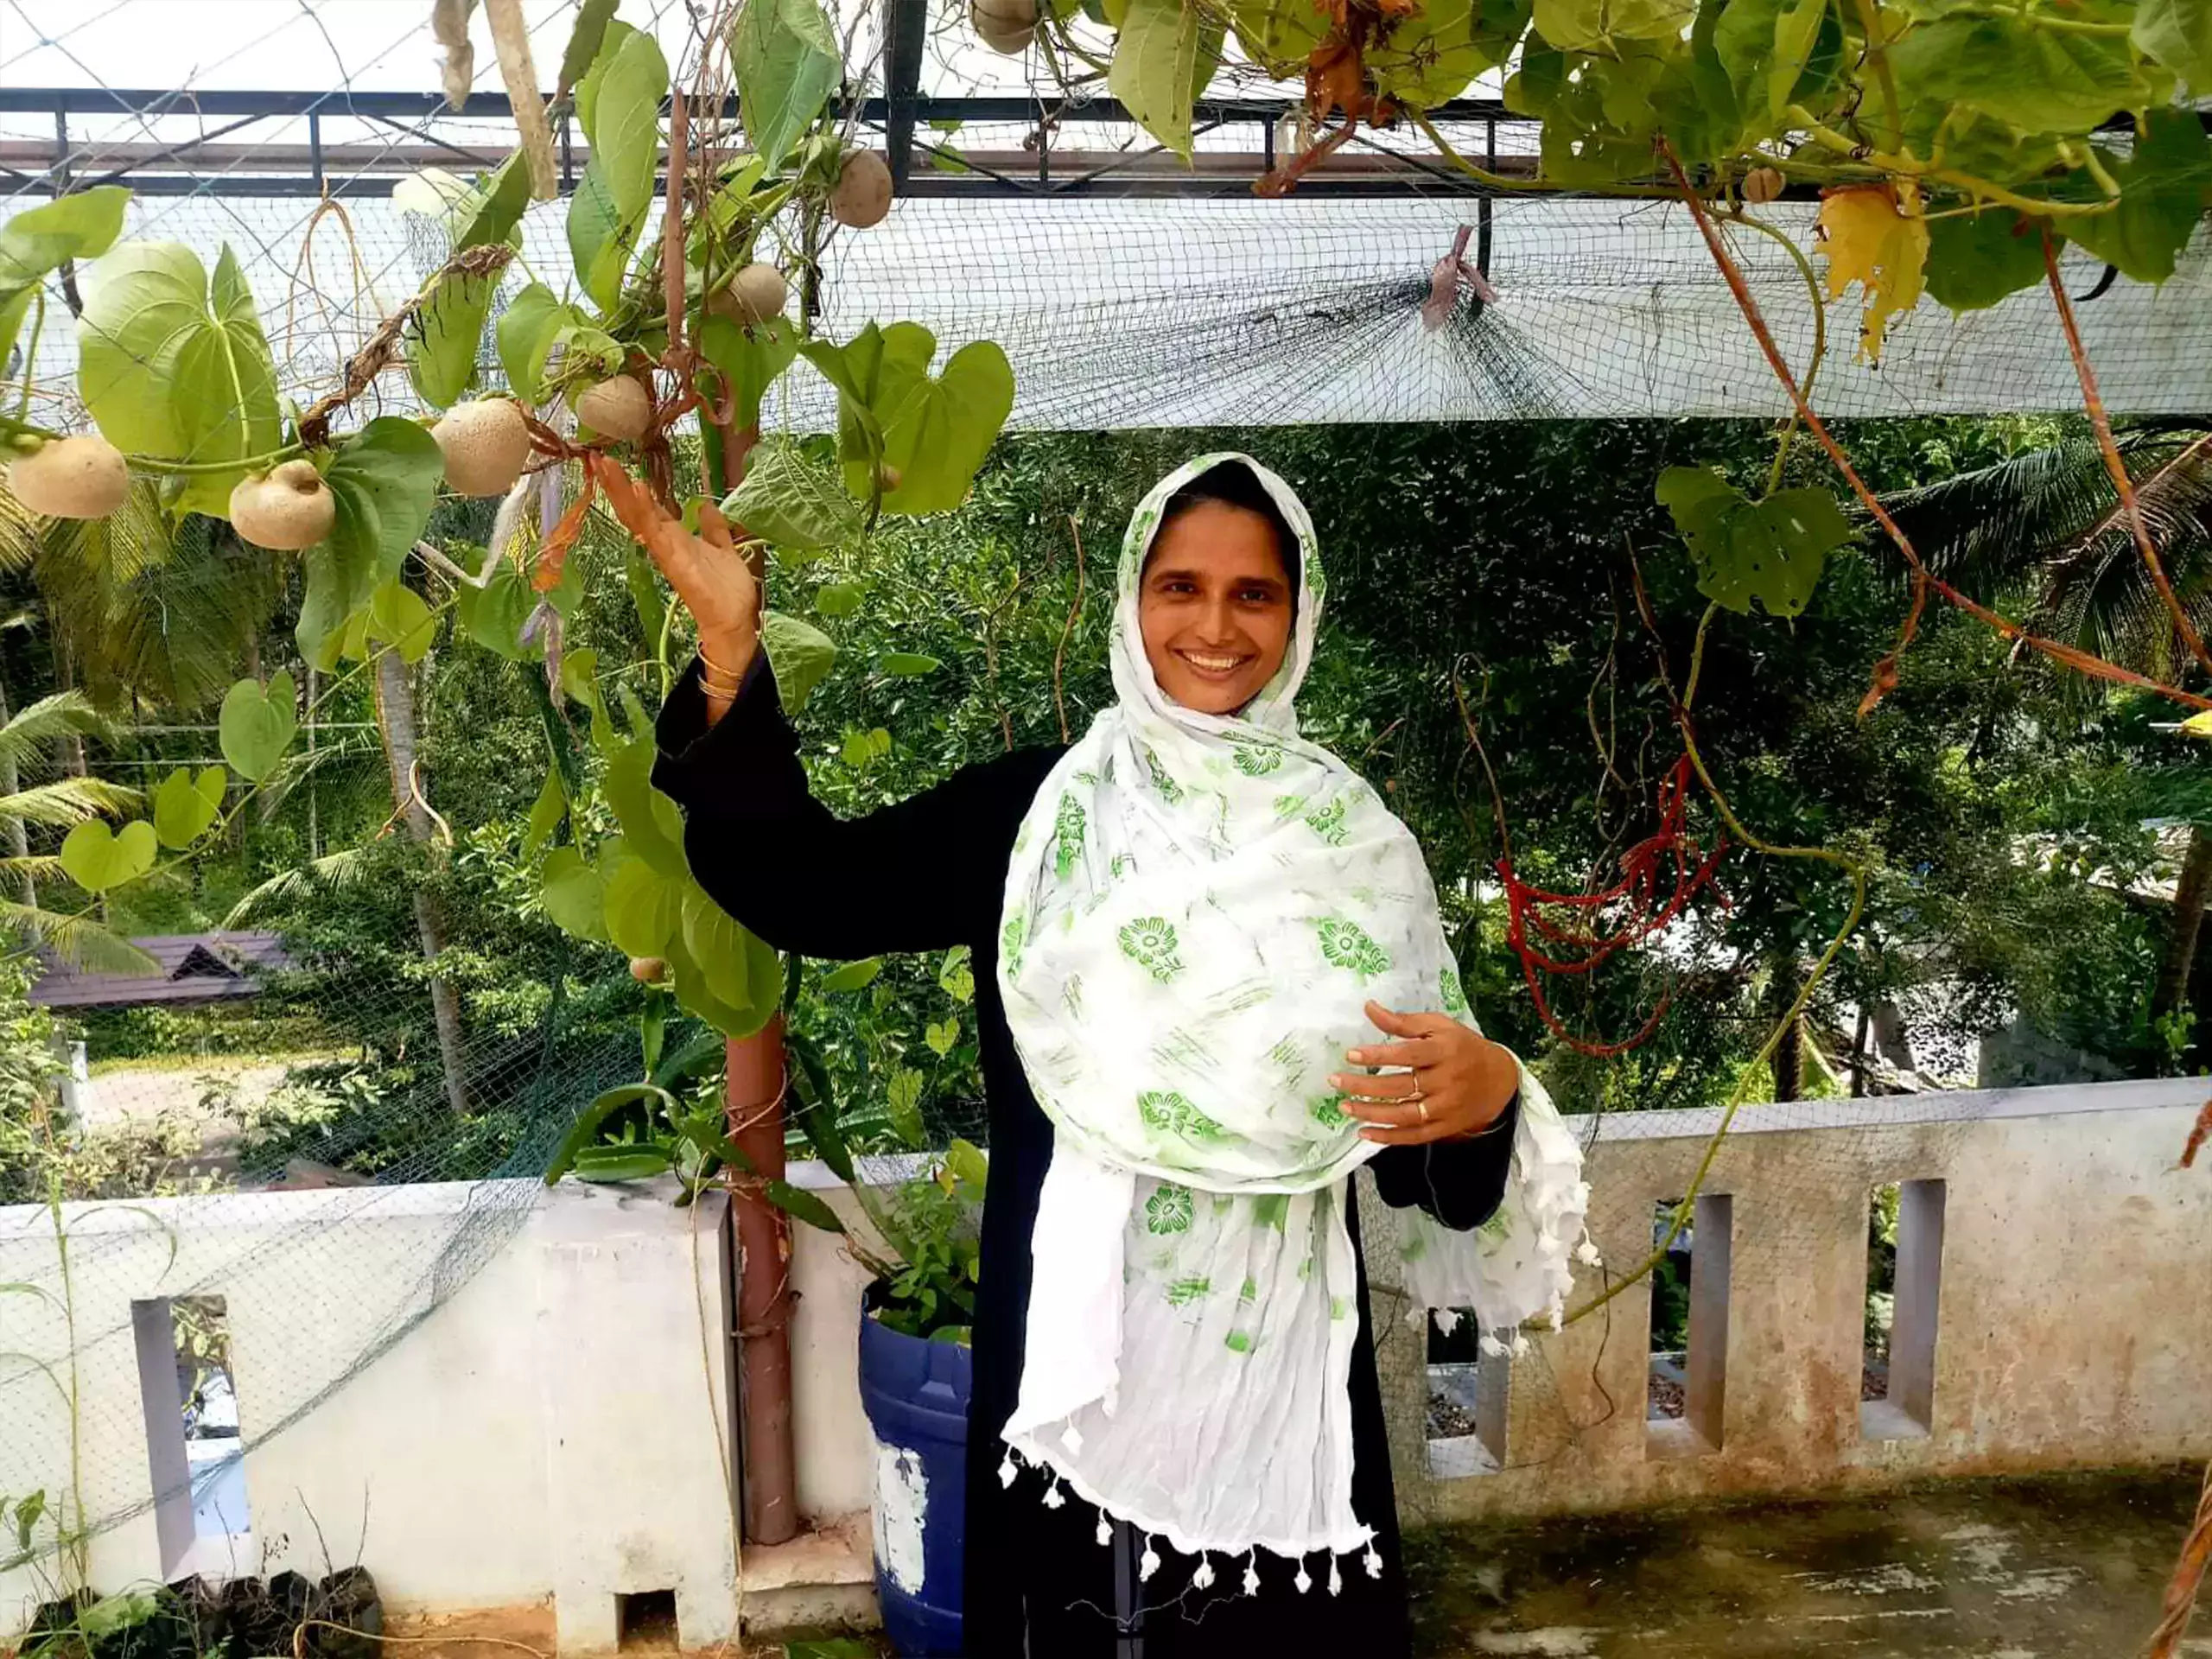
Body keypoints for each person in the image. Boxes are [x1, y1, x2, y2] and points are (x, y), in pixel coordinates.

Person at [649, 453, 1589, 1656]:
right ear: (1131, 601)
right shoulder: (1037, 818)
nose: (1213, 625)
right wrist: (732, 655)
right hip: (1073, 1377)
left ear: (1298, 616)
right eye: (1179, 586)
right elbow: (818, 892)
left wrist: (1488, 1094)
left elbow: (1419, 1167)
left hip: (1281, 1392)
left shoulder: (1351, 844)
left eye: (1253, 594)